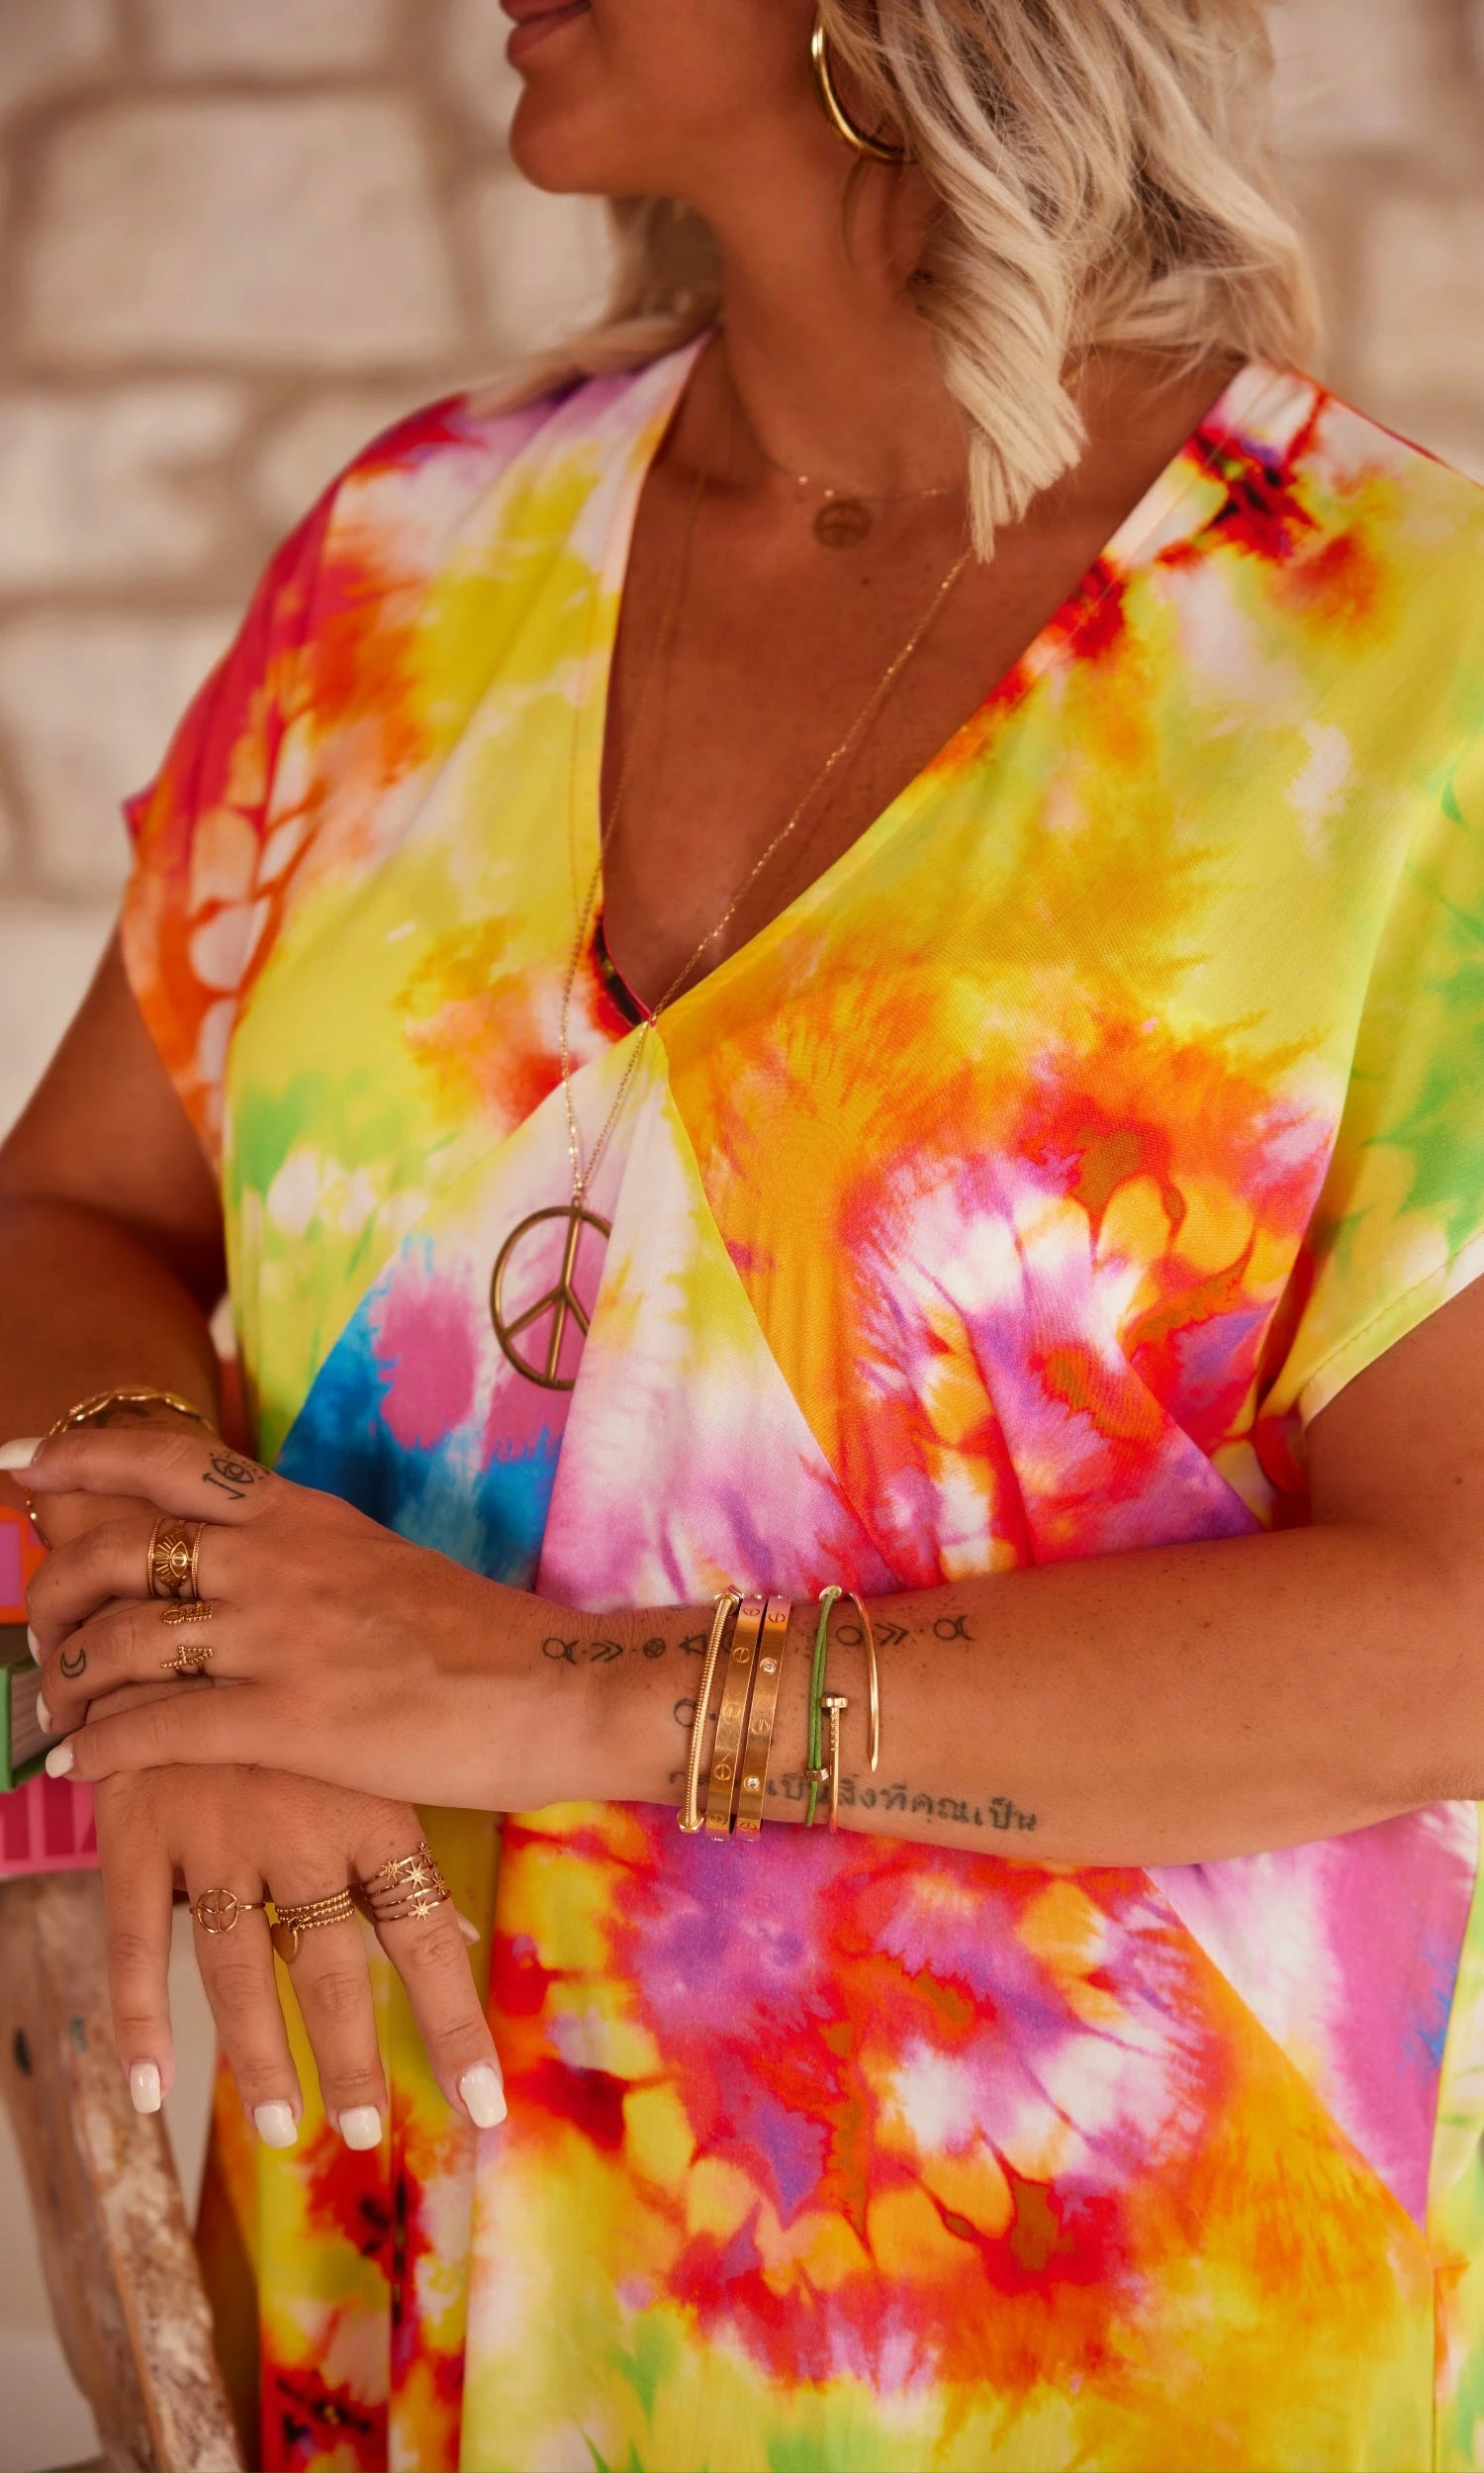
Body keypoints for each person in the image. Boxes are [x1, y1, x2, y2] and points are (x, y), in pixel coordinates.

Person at [1, 0, 1482, 2465]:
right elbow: (66, 1208)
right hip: (401, 2304)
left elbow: (1456, 1630)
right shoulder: (410, 559)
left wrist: (533, 1693)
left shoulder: (1404, 662)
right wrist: (189, 1624)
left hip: (1089, 2350)